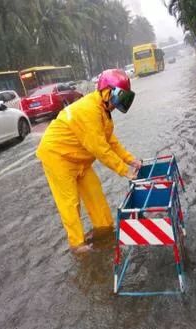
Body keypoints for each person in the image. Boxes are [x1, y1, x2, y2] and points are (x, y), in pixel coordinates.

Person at [36, 69, 141, 254]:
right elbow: (100, 149)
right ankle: (77, 244)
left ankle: (104, 229)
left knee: (95, 194)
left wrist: (131, 160)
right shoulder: (89, 110)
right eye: (117, 96)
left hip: (80, 160)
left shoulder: (104, 111)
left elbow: (111, 142)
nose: (117, 103)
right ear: (106, 91)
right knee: (70, 202)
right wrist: (124, 171)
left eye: (121, 98)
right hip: (57, 156)